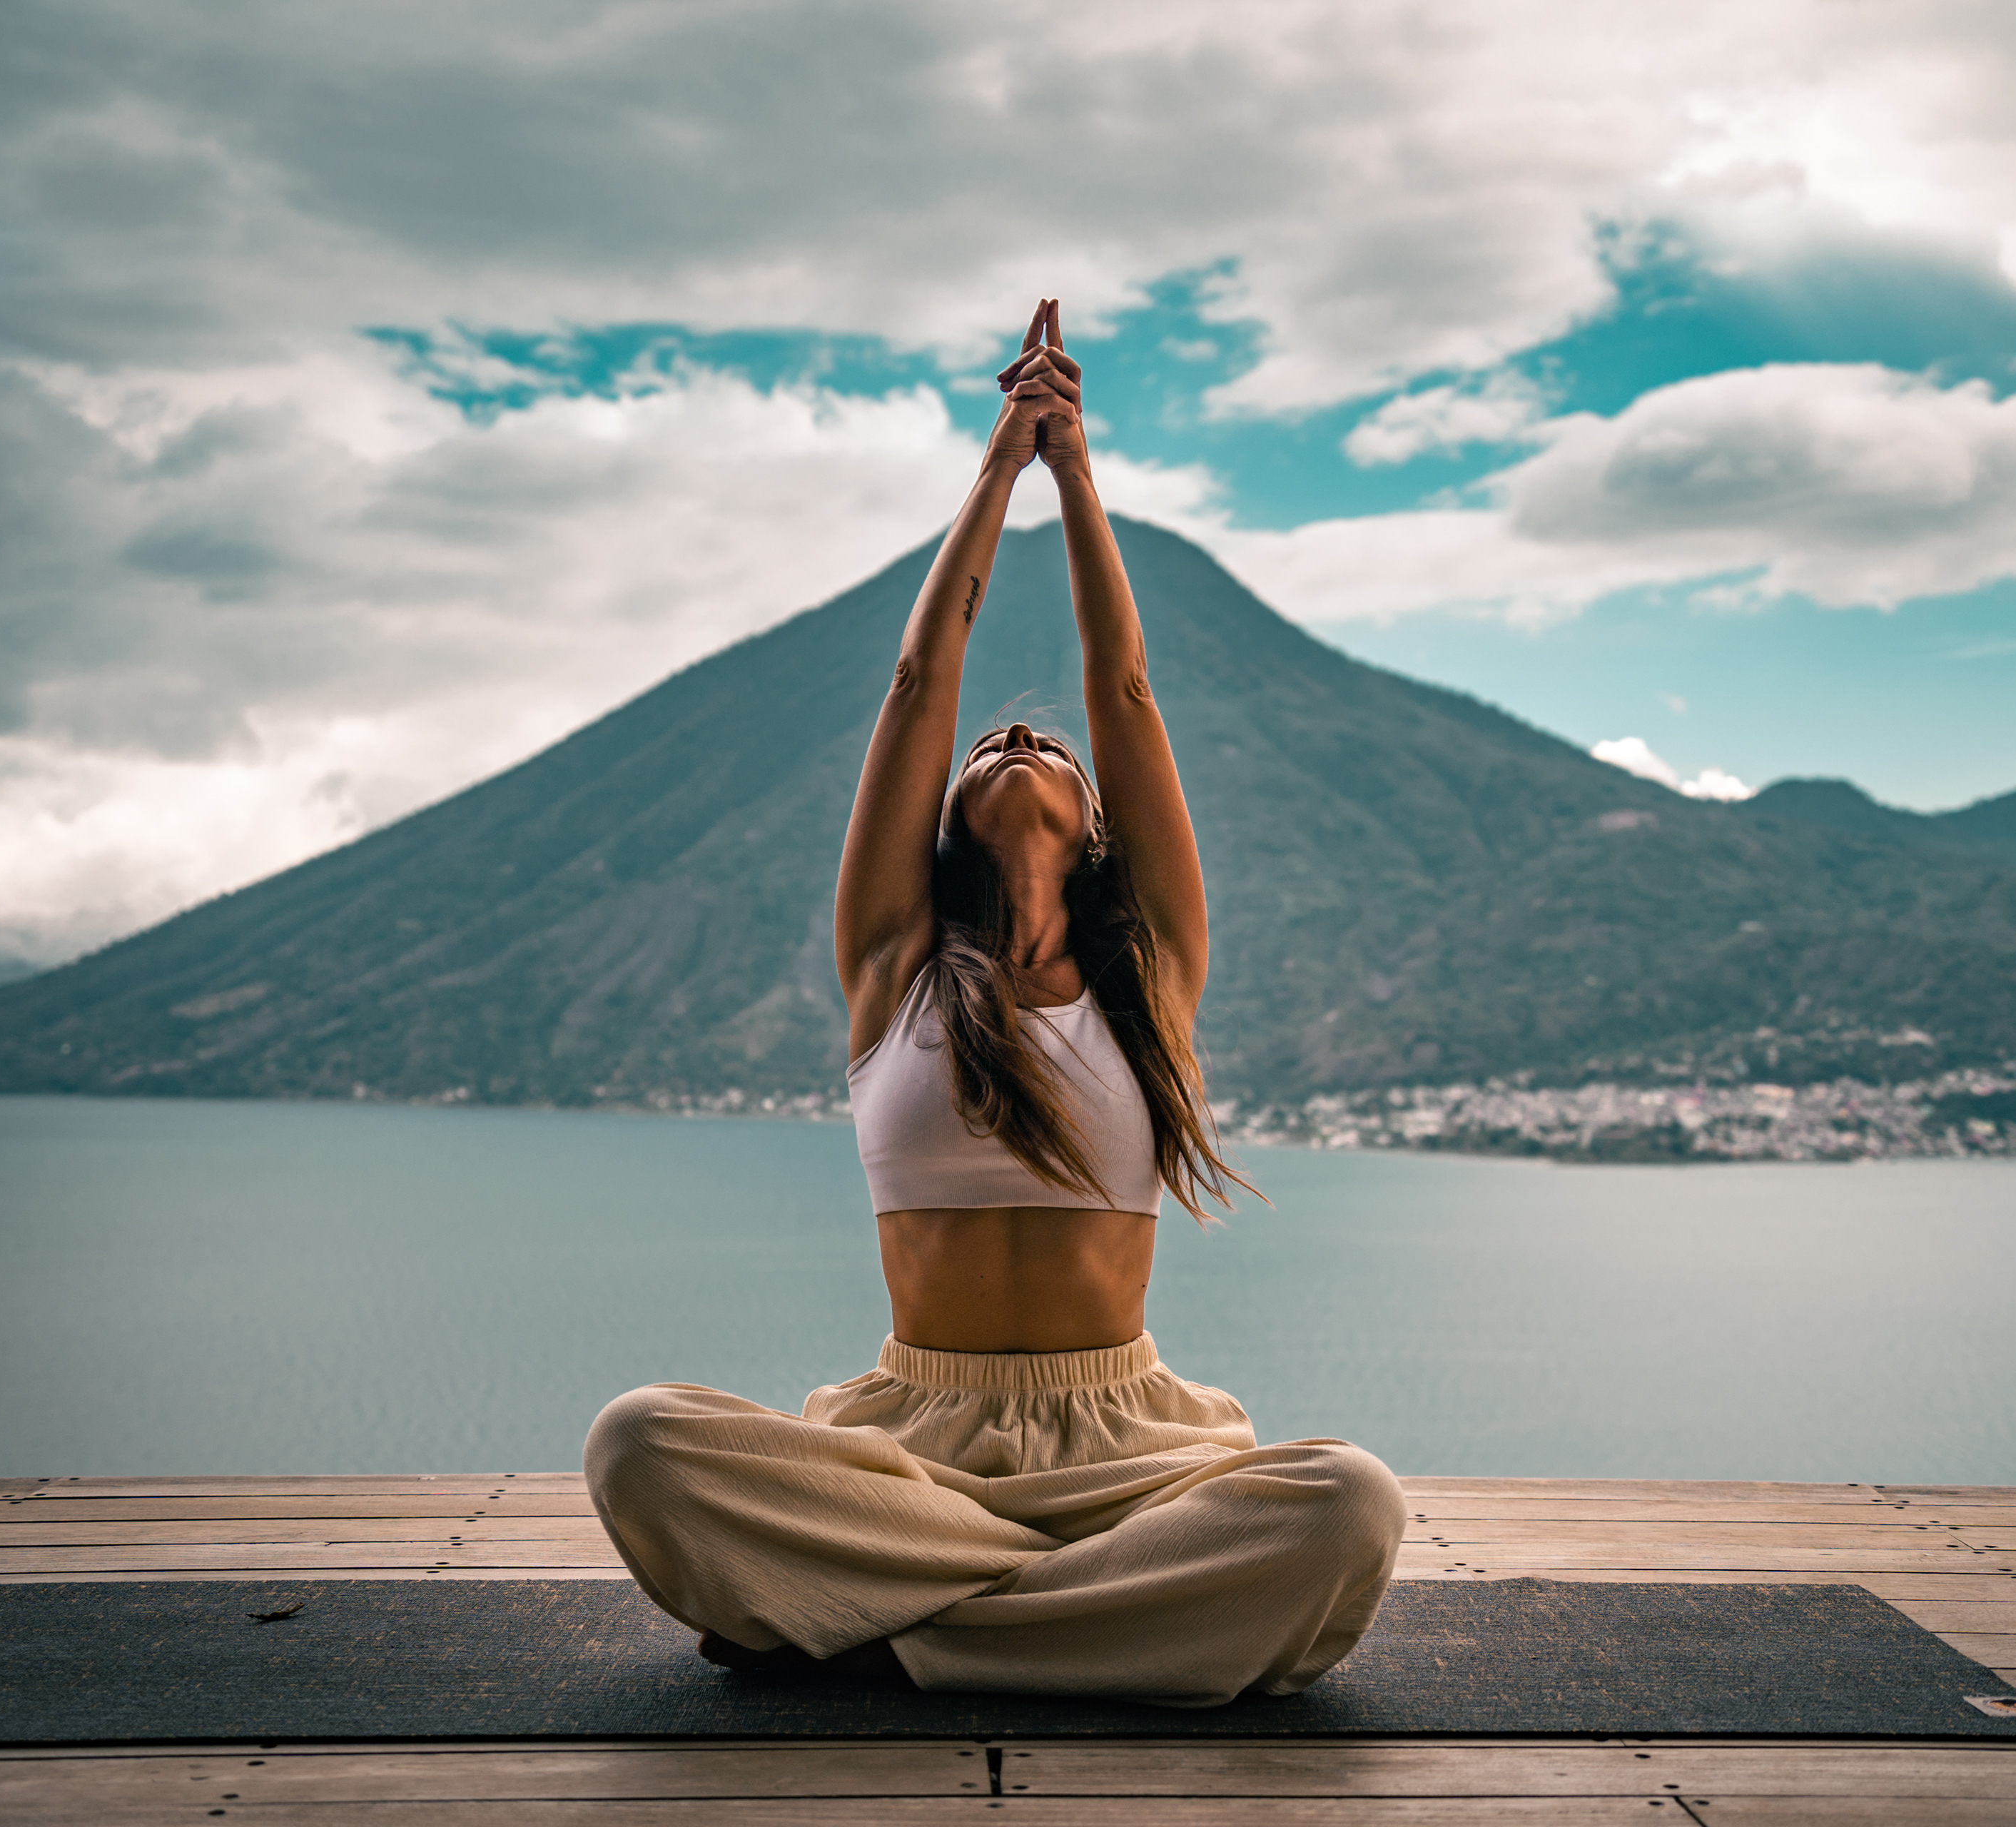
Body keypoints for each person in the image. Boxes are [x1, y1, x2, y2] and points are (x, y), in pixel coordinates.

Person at [584, 300, 1404, 1708]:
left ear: (1096, 826)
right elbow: (920, 678)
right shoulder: (893, 968)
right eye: (996, 738)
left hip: (1135, 1448)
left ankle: (891, 1622)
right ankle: (1077, 1626)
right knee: (638, 1440)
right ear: (950, 820)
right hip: (912, 1448)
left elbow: (1128, 687)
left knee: (1353, 1502)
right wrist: (996, 469)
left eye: (1049, 741)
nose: (1022, 726)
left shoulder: (1150, 977)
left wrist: (1078, 473)